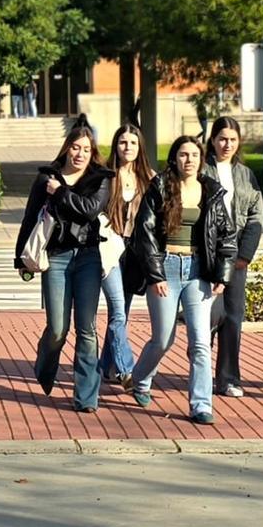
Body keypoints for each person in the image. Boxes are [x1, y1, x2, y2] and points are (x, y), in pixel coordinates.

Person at [129, 135, 237, 423]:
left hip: (197, 272)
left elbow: (226, 236)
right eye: (182, 155)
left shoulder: (212, 191)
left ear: (201, 159)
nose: (188, 160)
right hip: (165, 269)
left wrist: (222, 275)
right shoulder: (161, 186)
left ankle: (201, 405)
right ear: (174, 158)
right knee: (163, 339)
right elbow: (145, 232)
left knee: (200, 343)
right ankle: (140, 379)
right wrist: (155, 274)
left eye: (193, 155)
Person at [14, 117, 111, 412]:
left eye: (85, 148)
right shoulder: (47, 178)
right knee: (57, 328)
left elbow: (89, 210)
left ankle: (86, 397)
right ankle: (45, 364)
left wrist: (61, 192)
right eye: (74, 147)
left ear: (92, 151)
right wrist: (21, 258)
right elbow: (30, 218)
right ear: (66, 149)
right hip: (55, 257)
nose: (79, 154)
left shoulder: (100, 178)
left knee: (87, 329)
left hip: (88, 258)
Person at [204, 117, 263, 399]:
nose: (227, 144)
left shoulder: (246, 174)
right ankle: (200, 375)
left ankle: (228, 378)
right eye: (222, 138)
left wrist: (244, 255)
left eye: (232, 139)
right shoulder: (201, 169)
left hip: (235, 255)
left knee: (232, 317)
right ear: (213, 140)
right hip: (204, 252)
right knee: (202, 318)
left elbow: (256, 216)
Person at [97, 123, 154, 402]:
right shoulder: (105, 177)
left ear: (139, 146)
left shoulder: (150, 179)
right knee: (118, 312)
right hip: (109, 249)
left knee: (122, 314)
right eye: (122, 142)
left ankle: (100, 369)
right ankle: (127, 372)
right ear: (116, 145)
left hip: (135, 254)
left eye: (132, 142)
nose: (127, 147)